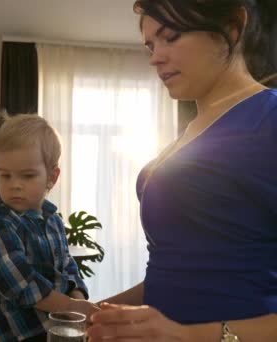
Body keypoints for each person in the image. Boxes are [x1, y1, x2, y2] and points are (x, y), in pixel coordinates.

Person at [87, 0, 277, 341]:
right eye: (150, 44)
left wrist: (190, 336)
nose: (155, 57)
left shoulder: (270, 120)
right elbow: (173, 273)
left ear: (233, 26)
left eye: (170, 37)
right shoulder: (185, 138)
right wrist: (95, 315)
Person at [0, 114, 99, 342]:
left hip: (58, 331)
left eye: (27, 176)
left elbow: (67, 266)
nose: (15, 185)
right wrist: (72, 306)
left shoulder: (53, 220)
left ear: (52, 177)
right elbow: (23, 286)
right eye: (5, 175)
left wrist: (77, 296)